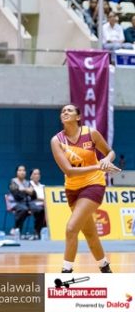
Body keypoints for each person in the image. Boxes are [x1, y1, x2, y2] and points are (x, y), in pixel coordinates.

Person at [50, 104, 120, 273]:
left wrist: (106, 161)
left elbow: (110, 152)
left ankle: (66, 273)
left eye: (69, 110)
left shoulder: (91, 133)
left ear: (78, 117)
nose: (65, 112)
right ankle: (105, 268)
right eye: (63, 111)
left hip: (93, 185)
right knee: (90, 233)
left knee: (71, 228)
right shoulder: (57, 141)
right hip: (72, 189)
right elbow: (69, 171)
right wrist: (98, 166)